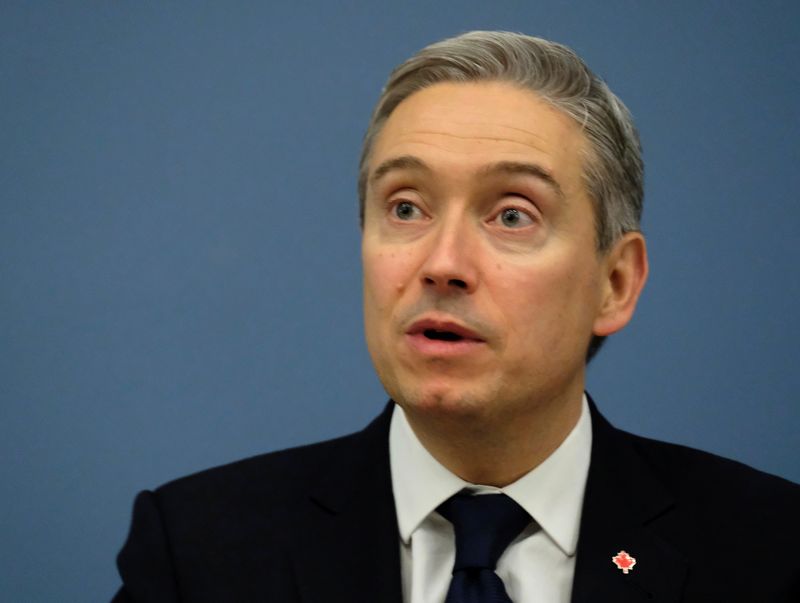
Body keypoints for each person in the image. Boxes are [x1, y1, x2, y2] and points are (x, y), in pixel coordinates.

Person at [112, 31, 800, 602]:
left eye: (511, 214)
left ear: (614, 284)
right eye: (406, 206)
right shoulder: (198, 553)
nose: (442, 263)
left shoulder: (769, 550)